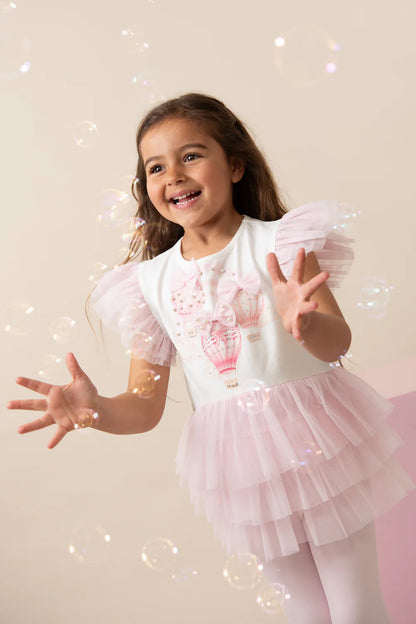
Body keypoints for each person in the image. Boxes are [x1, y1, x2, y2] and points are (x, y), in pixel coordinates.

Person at [7, 93, 414, 624]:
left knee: (354, 607)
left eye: (191, 156)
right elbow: (144, 406)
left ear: (236, 165)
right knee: (306, 613)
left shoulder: (282, 242)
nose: (174, 175)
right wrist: (96, 409)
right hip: (239, 460)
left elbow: (337, 344)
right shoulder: (148, 284)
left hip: (315, 435)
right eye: (156, 167)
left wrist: (308, 323)